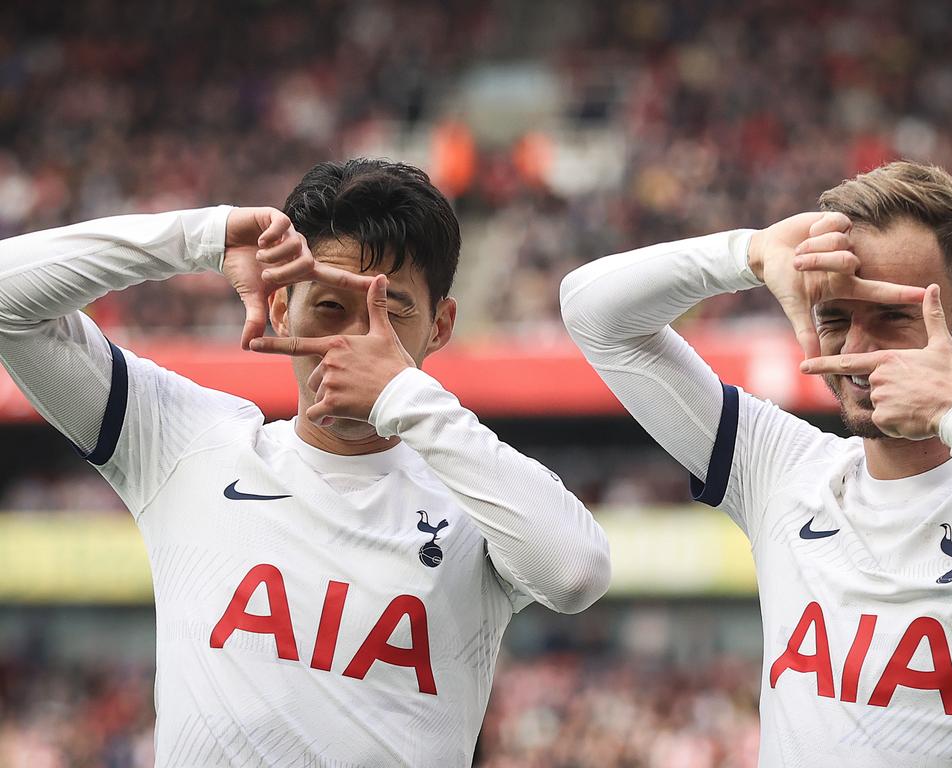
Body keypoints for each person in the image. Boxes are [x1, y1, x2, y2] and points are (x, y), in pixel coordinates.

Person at [0, 158, 611, 767]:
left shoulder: (474, 492)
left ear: (441, 326)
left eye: (390, 312)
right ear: (282, 306)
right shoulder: (187, 443)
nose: (353, 341)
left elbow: (577, 572)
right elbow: (9, 302)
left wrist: (402, 395)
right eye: (328, 306)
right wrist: (200, 238)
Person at [560, 161, 952, 766]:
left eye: (893, 316)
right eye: (834, 316)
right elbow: (596, 317)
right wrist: (749, 253)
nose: (855, 350)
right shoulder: (782, 468)